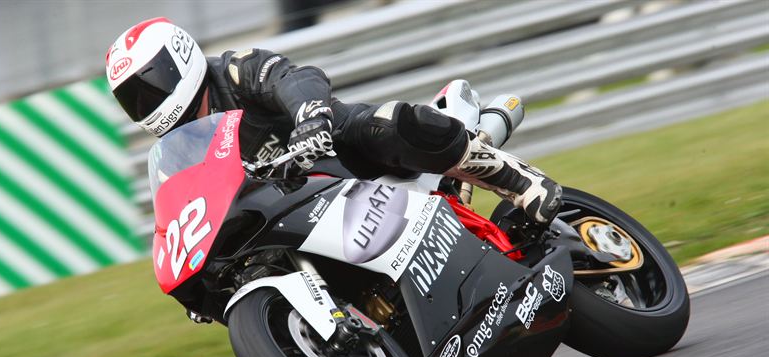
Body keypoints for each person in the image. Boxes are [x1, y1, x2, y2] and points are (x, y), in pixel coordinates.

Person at [106, 18, 562, 225]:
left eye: (150, 84)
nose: (146, 101)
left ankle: (518, 180)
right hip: (288, 211)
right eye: (133, 98)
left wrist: (309, 116)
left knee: (387, 124)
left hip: (340, 153)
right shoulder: (180, 148)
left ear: (180, 58)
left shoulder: (234, 70)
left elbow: (294, 77)